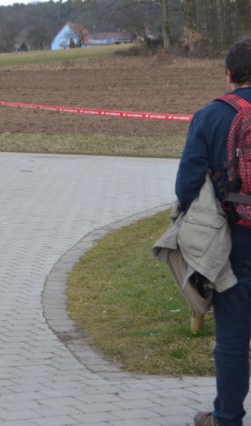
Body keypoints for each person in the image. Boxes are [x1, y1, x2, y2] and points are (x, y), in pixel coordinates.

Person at [175, 37, 251, 426]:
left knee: (233, 338)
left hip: (234, 240)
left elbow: (186, 186)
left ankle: (227, 418)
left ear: (229, 74)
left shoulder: (210, 116)